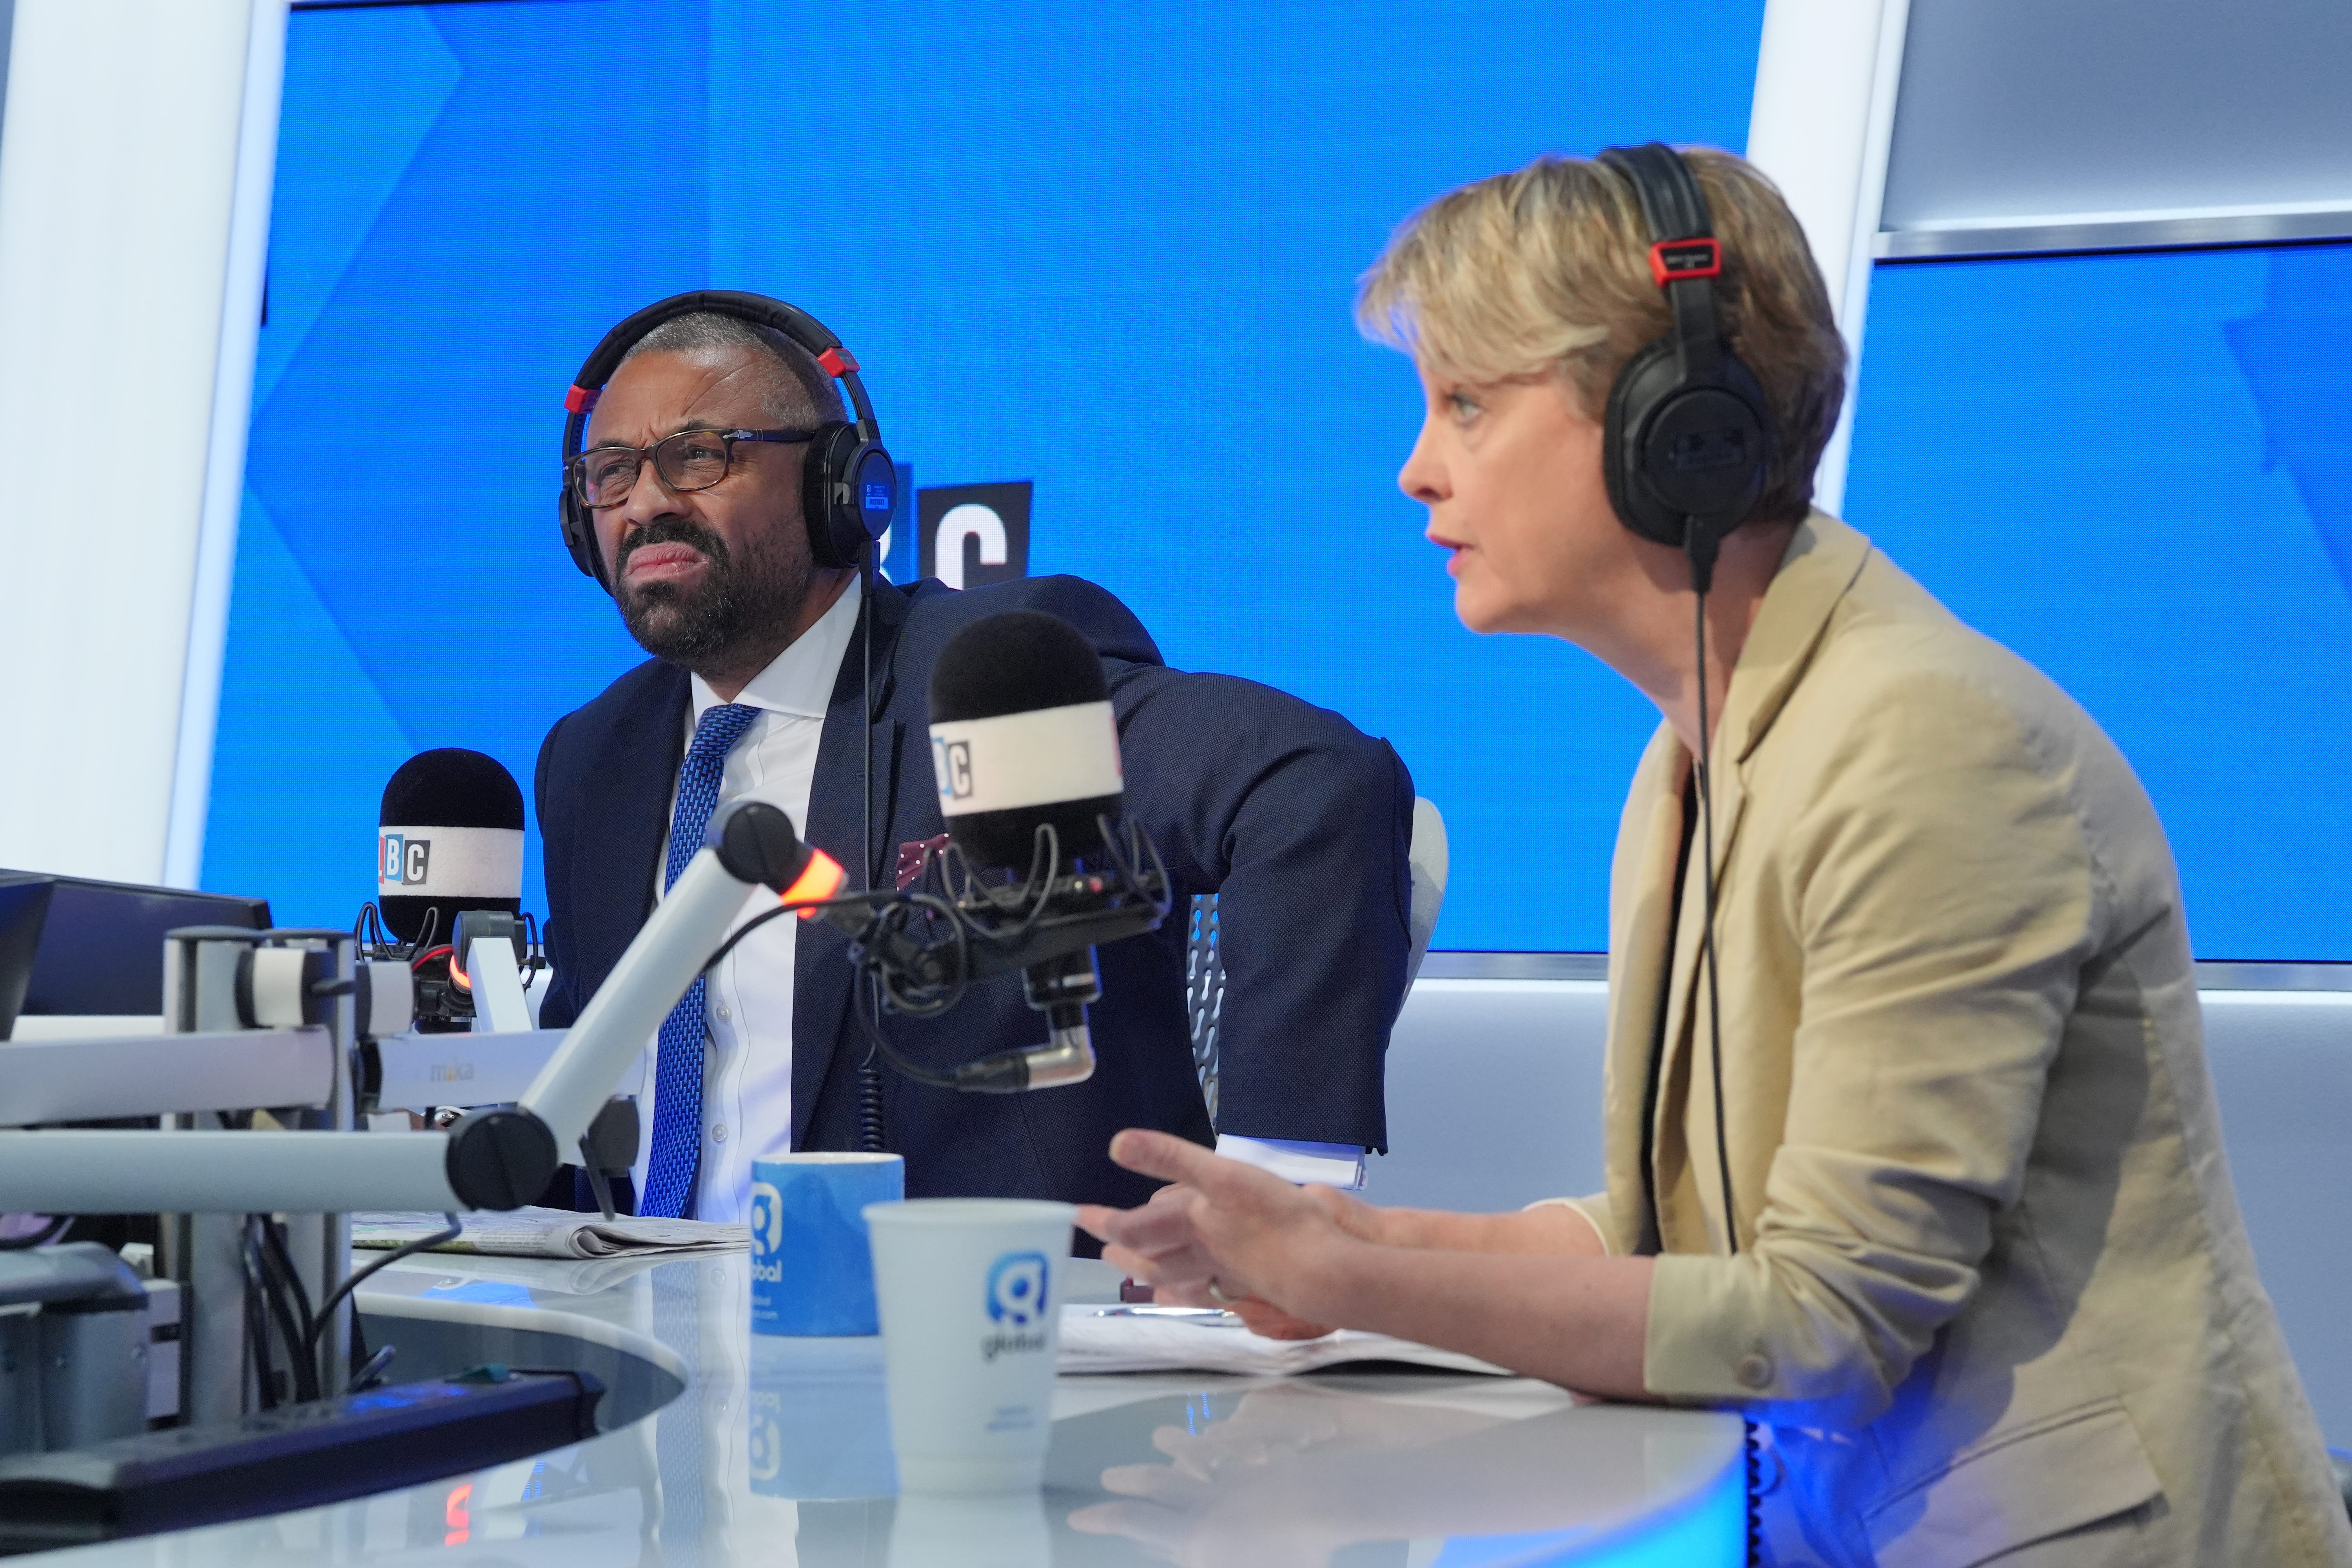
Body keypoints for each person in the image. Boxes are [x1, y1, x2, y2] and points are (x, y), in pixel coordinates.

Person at [1080, 148, 2352, 1564]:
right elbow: (1660, 1235)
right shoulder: (1694, 752)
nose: (1416, 466)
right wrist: (1336, 1252)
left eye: (1469, 404)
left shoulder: (1926, 746)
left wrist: (1363, 1286)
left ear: (1672, 426)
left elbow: (1821, 1320)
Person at [534, 292, 1414, 1229]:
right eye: (611, 471)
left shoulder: (990, 680)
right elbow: (586, 1085)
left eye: (698, 456)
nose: (647, 503)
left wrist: (1274, 1195)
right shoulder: (593, 757)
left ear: (840, 488)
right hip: (644, 1317)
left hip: (983, 1333)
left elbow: (1312, 782)